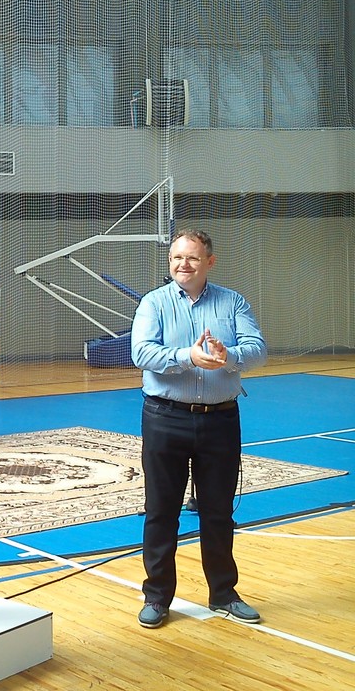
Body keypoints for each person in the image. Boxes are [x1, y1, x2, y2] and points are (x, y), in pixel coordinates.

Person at [130, 229, 267, 629]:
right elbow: (141, 352)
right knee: (161, 511)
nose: (183, 264)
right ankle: (157, 596)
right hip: (164, 418)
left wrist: (229, 355)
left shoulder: (233, 302)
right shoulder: (153, 303)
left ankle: (224, 593)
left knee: (219, 512)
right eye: (176, 257)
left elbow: (257, 350)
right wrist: (187, 357)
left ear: (210, 261)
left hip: (220, 420)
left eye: (191, 257)